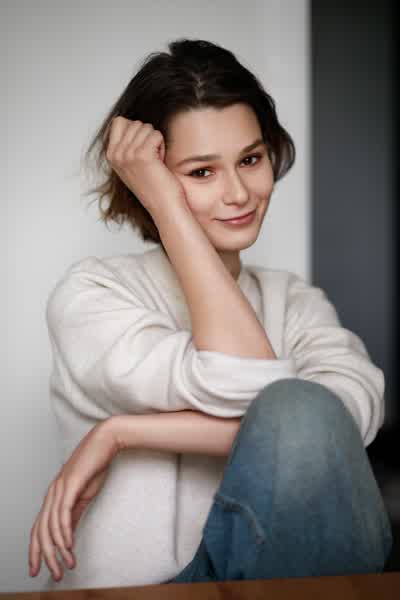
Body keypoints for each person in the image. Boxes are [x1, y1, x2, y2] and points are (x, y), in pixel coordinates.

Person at [28, 38, 393, 590]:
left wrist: (123, 432)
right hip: (145, 590)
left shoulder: (294, 300)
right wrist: (167, 208)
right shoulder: (94, 292)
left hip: (281, 578)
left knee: (304, 415)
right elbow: (247, 383)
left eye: (250, 159)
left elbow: (335, 427)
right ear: (149, 182)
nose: (239, 193)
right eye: (201, 172)